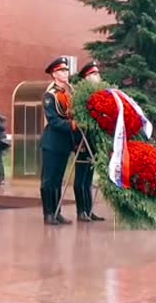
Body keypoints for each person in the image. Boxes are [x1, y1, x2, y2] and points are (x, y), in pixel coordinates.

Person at [40, 56, 77, 225]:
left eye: (66, 70)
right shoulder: (50, 95)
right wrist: (73, 125)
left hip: (64, 143)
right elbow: (54, 120)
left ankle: (57, 212)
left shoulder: (69, 94)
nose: (65, 73)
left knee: (58, 179)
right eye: (62, 70)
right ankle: (48, 213)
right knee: (49, 180)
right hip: (52, 142)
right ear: (54, 74)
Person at [73, 61, 105, 222]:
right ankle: (81, 211)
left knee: (88, 179)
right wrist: (79, 142)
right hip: (83, 143)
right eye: (94, 74)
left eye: (98, 73)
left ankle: (89, 210)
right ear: (86, 77)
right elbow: (77, 120)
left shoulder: (98, 94)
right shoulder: (81, 96)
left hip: (93, 141)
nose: (98, 76)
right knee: (80, 179)